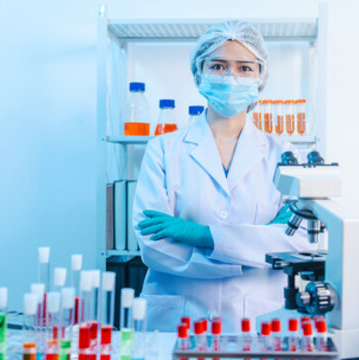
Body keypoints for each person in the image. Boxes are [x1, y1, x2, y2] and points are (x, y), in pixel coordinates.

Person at [131, 20, 313, 332]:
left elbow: (297, 241)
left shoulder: (285, 155)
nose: (230, 77)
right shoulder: (162, 149)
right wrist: (253, 247)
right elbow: (153, 246)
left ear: (260, 76)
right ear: (198, 73)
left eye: (244, 68)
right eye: (218, 66)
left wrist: (202, 235)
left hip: (256, 319)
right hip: (177, 319)